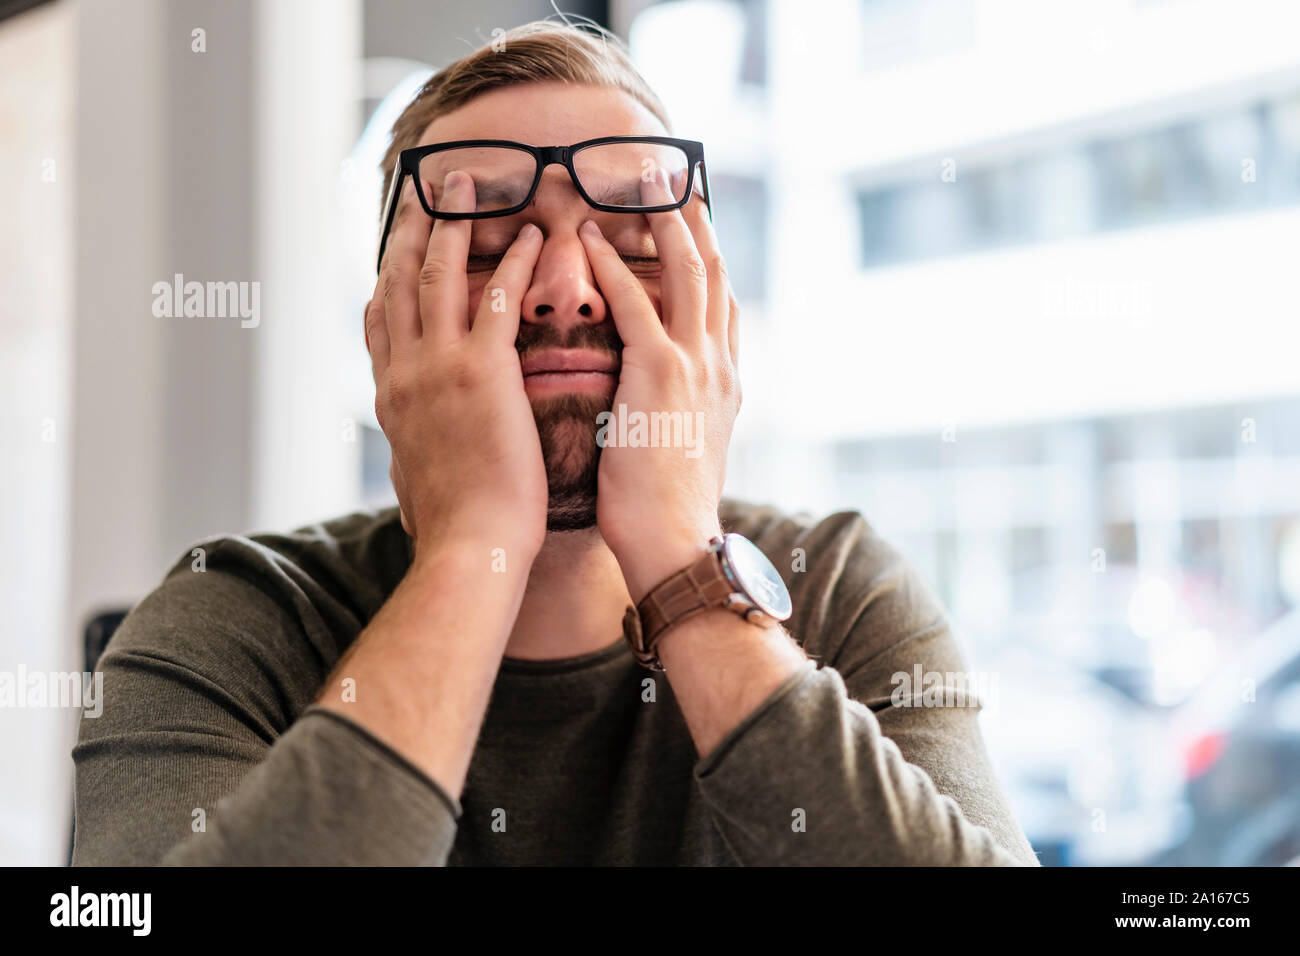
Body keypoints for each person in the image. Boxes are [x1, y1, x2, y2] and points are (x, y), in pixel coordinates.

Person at [72, 18, 1037, 866]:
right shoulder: (233, 624)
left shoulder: (837, 592)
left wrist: (683, 567)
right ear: (389, 327)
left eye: (631, 238)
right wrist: (474, 545)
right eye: (487, 240)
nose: (567, 287)